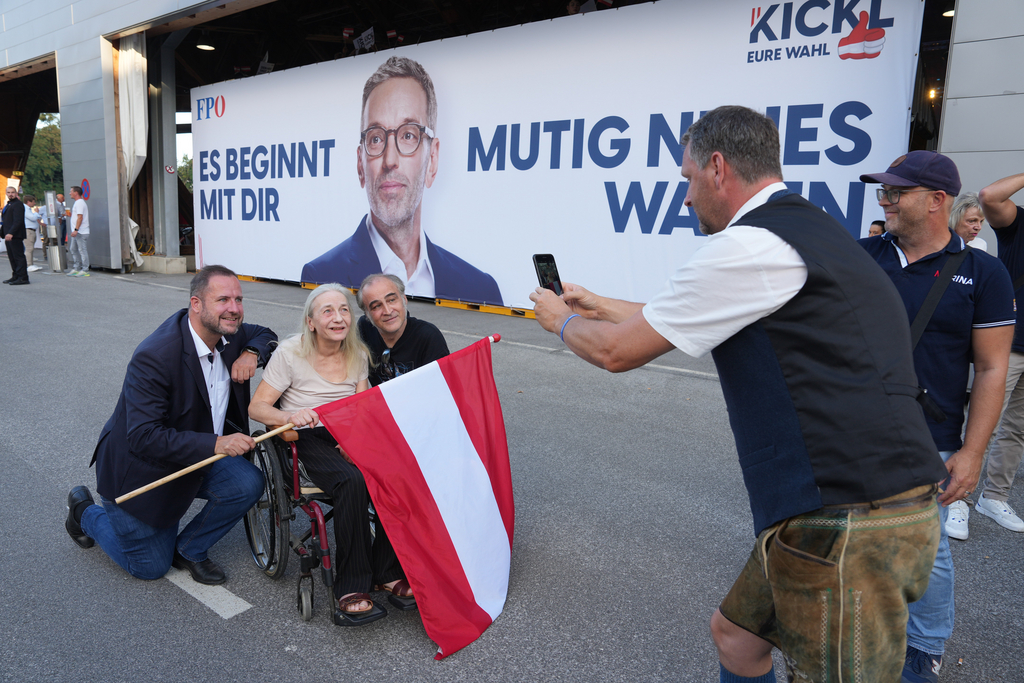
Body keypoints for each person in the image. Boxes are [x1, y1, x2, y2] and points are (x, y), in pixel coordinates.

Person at [531, 106, 947, 683]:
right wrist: (597, 305)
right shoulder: (801, 229)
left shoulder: (750, 247)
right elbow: (677, 315)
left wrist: (560, 321)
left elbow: (616, 353)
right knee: (737, 639)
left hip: (846, 519)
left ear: (718, 168)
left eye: (687, 179)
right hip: (864, 506)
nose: (685, 198)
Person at [858, 151, 1014, 682]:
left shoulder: (983, 272)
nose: (885, 202)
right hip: (853, 431)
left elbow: (991, 369)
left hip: (932, 435)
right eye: (884, 192)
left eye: (895, 193)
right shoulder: (860, 255)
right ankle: (867, 622)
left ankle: (924, 645)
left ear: (936, 201)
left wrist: (972, 453)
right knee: (860, 534)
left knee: (926, 545)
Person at [65, 265, 276, 585]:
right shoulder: (155, 356)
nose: (234, 308)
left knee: (247, 483)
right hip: (145, 469)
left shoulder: (230, 334)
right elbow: (143, 436)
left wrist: (251, 353)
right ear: (196, 304)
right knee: (149, 567)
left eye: (238, 299)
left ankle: (190, 549)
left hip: (196, 455)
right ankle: (85, 513)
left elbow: (265, 334)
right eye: (223, 300)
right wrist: (217, 443)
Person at [248, 283, 412, 622]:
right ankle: (351, 585)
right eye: (328, 311)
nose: (338, 318)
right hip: (303, 434)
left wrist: (357, 440)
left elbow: (363, 408)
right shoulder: (290, 353)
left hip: (346, 430)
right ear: (311, 322)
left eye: (344, 310)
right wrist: (288, 416)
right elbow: (257, 407)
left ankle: (386, 570)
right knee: (351, 481)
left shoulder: (357, 354)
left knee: (395, 474)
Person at [301, 56, 503, 306]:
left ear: (433, 159)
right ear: (360, 164)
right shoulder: (321, 278)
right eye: (376, 139)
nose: (390, 160)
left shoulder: (481, 290)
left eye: (408, 135)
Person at [974, 171, 1024, 534]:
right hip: (1009, 343)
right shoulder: (1017, 223)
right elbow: (989, 195)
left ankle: (993, 496)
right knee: (983, 423)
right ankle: (956, 500)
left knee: (1017, 430)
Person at [356, 273, 450, 386]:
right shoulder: (365, 329)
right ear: (367, 314)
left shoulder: (428, 337)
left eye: (391, 300)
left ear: (404, 299)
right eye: (377, 306)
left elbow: (443, 387)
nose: (388, 311)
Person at [2, 186, 29, 285]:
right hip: (8, 235)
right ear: (6, 193)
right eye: (8, 192)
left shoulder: (18, 204)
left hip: (15, 235)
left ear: (16, 193)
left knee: (18, 257)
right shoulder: (9, 204)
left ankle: (23, 277)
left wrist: (11, 233)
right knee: (12, 257)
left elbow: (18, 221)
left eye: (12, 192)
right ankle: (16, 276)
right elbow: (6, 221)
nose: (10, 194)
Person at [68, 185, 90, 277]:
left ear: (76, 193)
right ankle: (77, 268)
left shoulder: (79, 203)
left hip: (80, 231)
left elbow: (80, 217)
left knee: (81, 250)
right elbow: (78, 216)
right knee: (73, 249)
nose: (70, 193)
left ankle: (85, 269)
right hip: (78, 232)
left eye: (71, 191)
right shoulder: (78, 203)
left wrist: (76, 230)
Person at [23, 194, 44, 272]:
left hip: (31, 230)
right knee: (29, 248)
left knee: (30, 248)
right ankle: (29, 265)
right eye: (33, 201)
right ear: (29, 202)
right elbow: (33, 218)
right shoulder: (25, 208)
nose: (34, 203)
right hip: (28, 230)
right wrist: (36, 213)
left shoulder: (28, 209)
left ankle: (31, 264)